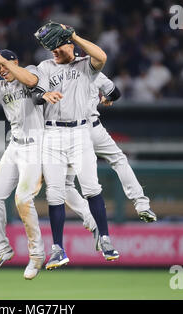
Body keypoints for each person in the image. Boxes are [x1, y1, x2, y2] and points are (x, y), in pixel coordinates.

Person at [0, 46, 61, 280]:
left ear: (14, 61)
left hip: (36, 144)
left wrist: (1, 59)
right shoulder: (0, 86)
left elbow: (32, 83)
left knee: (23, 199)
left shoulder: (29, 71)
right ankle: (0, 250)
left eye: (4, 65)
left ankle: (37, 255)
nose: (1, 70)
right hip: (15, 145)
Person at [33, 22, 119, 270]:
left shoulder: (85, 66)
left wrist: (73, 35)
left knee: (92, 187)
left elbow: (101, 56)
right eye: (51, 48)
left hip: (81, 131)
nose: (54, 51)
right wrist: (42, 95)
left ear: (70, 44)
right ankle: (58, 249)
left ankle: (105, 238)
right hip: (53, 132)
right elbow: (34, 90)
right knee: (55, 193)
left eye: (58, 45)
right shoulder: (44, 67)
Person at [65, 72, 157, 238]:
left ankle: (89, 218)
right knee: (119, 160)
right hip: (94, 128)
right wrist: (107, 99)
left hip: (73, 132)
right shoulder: (91, 69)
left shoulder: (55, 72)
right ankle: (141, 204)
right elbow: (115, 93)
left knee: (65, 184)